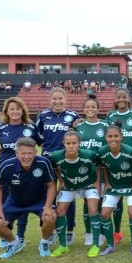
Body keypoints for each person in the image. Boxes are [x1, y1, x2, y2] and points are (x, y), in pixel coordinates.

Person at [0, 137, 57, 259]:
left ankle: (44, 242)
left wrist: (47, 207)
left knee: (50, 217)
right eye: (23, 153)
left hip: (39, 201)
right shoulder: (7, 165)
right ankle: (13, 243)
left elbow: (51, 185)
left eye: (30, 153)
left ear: (35, 153)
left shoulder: (43, 162)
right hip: (15, 202)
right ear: (16, 153)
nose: (27, 157)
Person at [0, 97, 42, 248]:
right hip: (6, 170)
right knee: (6, 202)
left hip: (26, 170)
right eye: (12, 109)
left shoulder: (30, 127)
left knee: (22, 202)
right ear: (6, 111)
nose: (15, 111)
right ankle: (7, 233)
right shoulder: (0, 128)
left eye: (18, 108)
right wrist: (5, 156)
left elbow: (40, 143)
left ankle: (21, 236)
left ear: (22, 110)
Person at [36, 87, 80, 244]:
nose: (57, 101)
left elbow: (78, 137)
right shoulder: (43, 116)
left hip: (66, 161)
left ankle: (69, 230)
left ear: (65, 99)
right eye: (54, 99)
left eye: (60, 98)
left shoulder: (73, 116)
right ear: (50, 101)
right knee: (48, 194)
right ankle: (52, 230)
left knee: (67, 194)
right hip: (47, 160)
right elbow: (37, 135)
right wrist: (46, 146)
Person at [49, 131, 102, 258]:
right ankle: (63, 245)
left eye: (74, 143)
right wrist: (61, 181)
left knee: (93, 209)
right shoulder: (56, 156)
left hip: (88, 184)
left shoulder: (89, 155)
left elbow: (99, 166)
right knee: (60, 211)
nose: (71, 146)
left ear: (79, 144)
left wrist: (97, 183)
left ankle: (96, 245)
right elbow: (55, 167)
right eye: (68, 143)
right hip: (69, 185)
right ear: (64, 144)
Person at [97, 122, 132, 256]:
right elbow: (102, 166)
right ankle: (111, 245)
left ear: (121, 137)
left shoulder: (131, 152)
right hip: (115, 186)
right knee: (104, 213)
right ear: (106, 137)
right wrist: (107, 183)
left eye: (116, 136)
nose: (113, 139)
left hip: (131, 185)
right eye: (110, 136)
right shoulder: (102, 152)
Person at [74, 95, 108, 247]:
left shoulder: (105, 126)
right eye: (87, 107)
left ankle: (99, 232)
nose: (90, 109)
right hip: (84, 172)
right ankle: (88, 232)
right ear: (83, 110)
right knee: (86, 202)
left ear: (98, 109)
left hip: (101, 171)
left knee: (99, 201)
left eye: (93, 107)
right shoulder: (78, 127)